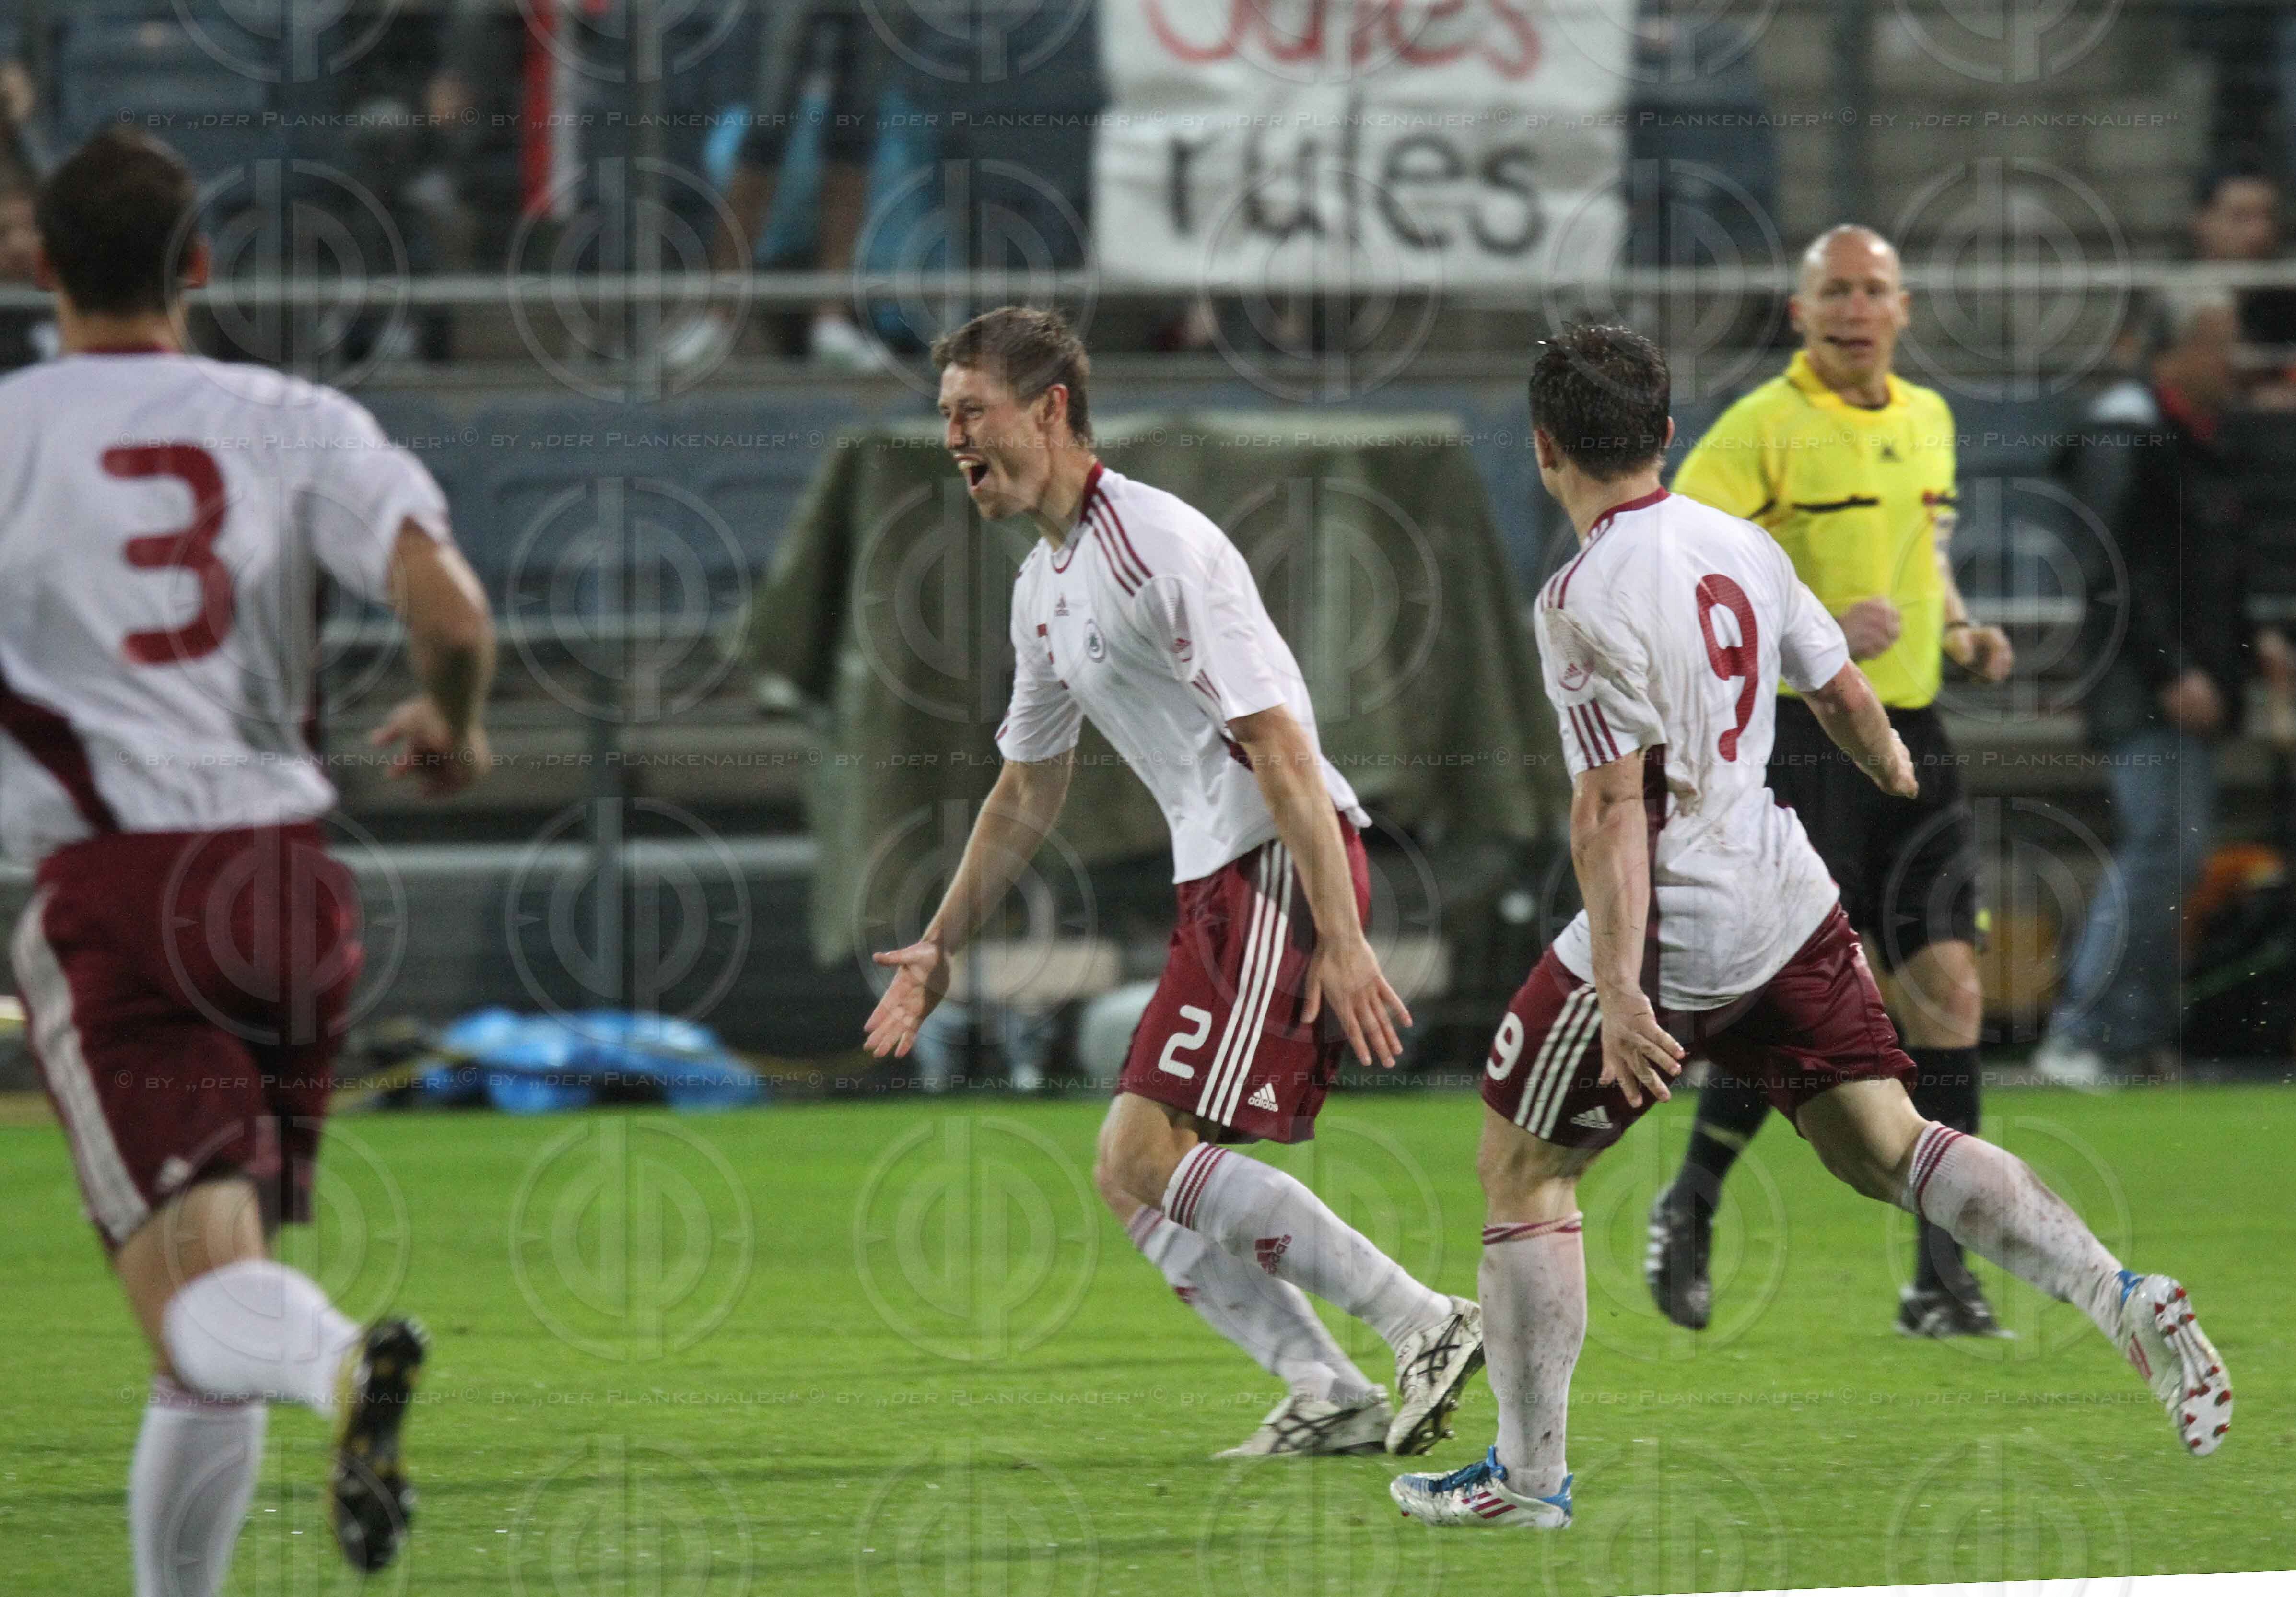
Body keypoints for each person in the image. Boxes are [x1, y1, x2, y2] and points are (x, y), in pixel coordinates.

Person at [1389, 324, 2231, 1531]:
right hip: (1786, 898)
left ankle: (1528, 1483)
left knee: (1523, 1166)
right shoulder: (1740, 542)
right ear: (1669, 434)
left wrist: (1623, 995)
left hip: (1673, 924)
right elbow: (1840, 687)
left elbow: (1609, 805)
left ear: (1542, 448)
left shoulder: (1578, 597)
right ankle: (2118, 1293)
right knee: (1882, 1147)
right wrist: (1889, 761)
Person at [5, 129, 495, 1593]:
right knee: (210, 1308)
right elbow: (452, 616)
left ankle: (346, 1361)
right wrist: (455, 735)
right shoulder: (297, 419)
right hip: (284, 891)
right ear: (199, 266)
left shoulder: (13, 428)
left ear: (38, 270)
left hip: (114, 886)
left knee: (194, 1304)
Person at [862, 306, 1484, 1458]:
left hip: (1275, 864)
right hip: (1222, 877)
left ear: (1049, 411)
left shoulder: (1159, 545)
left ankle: (1425, 1320)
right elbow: (1024, 792)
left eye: (971, 413)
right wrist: (943, 941)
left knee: (1146, 1154)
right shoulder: (1044, 585)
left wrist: (1344, 938)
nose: (953, 438)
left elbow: (1282, 743)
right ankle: (1326, 1389)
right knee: (1128, 1173)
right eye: (943, 417)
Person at [1643, 225, 2018, 1340]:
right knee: (1809, 1003)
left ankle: (1940, 1276)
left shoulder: (1929, 420)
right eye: (1834, 292)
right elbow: (1674, 572)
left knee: (1949, 993)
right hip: (1803, 746)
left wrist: (1958, 631)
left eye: (1874, 290)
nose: (1855, 309)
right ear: (1800, 312)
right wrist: (1809, 629)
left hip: (1913, 741)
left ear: (1904, 308)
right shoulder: (1760, 429)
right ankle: (1692, 1205)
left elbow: (1925, 551)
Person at [2031, 293, 2296, 1087]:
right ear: (2173, 354)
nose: (2233, 363)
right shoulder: (2129, 435)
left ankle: (2134, 1036)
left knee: (2173, 858)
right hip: (2146, 688)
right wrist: (2170, 667)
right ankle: (2084, 1030)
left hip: (2187, 684)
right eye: (2218, 346)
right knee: (2160, 853)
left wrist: (2252, 651)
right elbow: (2113, 570)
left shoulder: (2191, 438)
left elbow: (2212, 568)